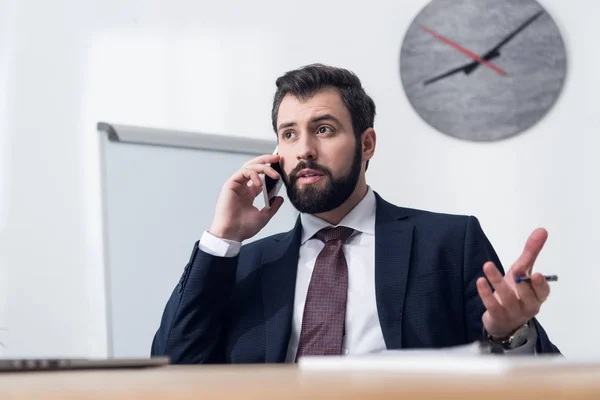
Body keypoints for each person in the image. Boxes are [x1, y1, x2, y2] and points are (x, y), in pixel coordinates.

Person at [151, 64, 560, 363]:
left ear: (367, 144)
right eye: (288, 133)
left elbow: (536, 377)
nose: (304, 149)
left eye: (324, 129)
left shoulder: (449, 242)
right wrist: (223, 237)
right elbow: (173, 366)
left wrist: (511, 332)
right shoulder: (246, 263)